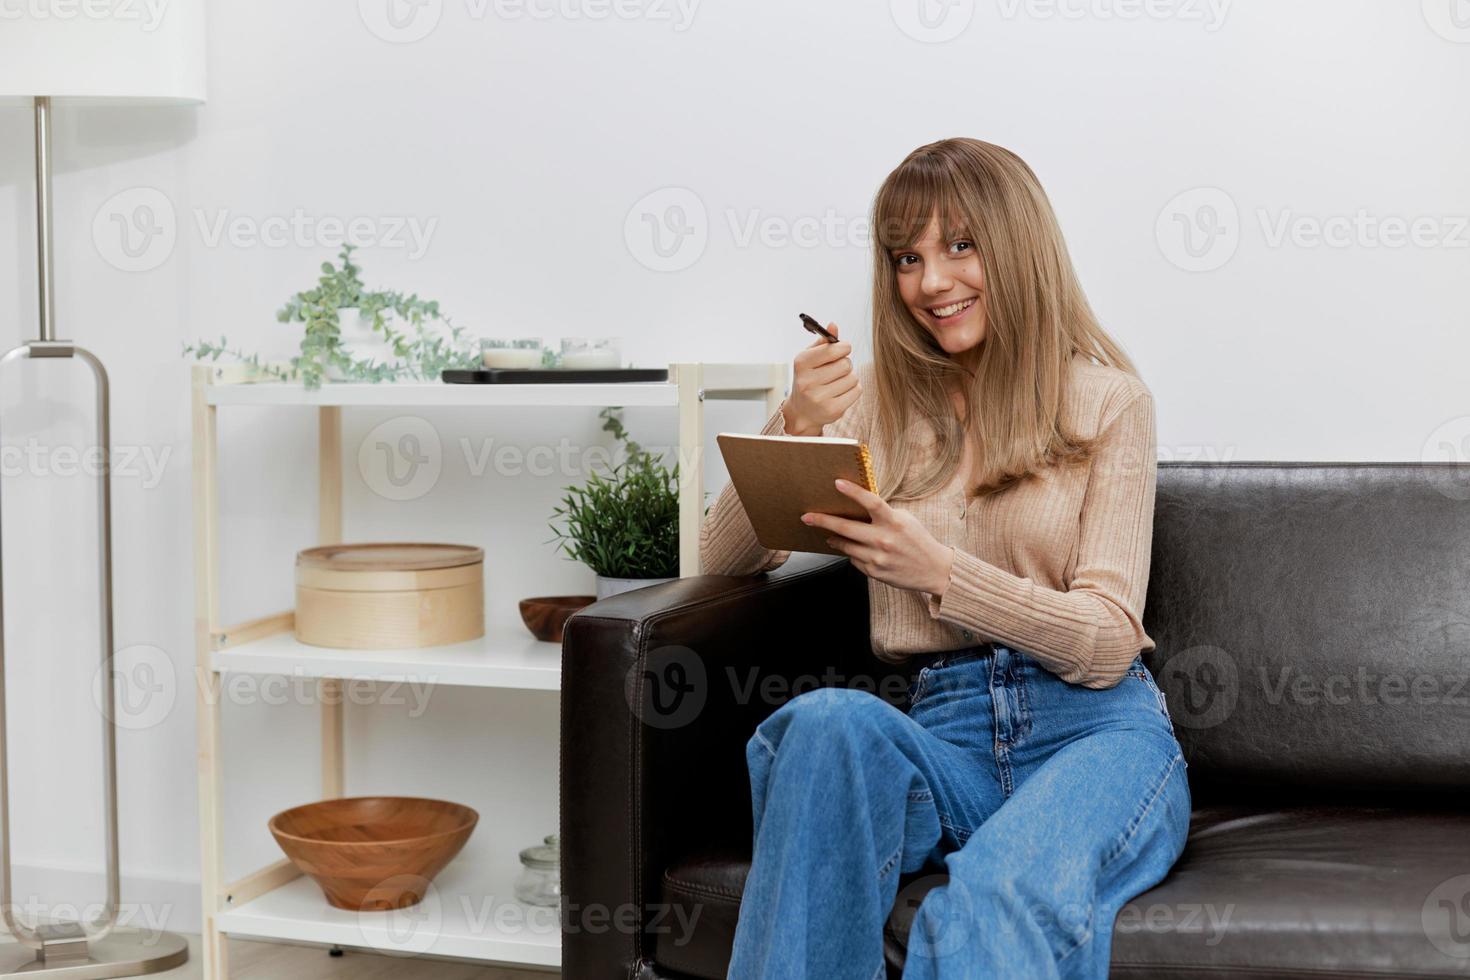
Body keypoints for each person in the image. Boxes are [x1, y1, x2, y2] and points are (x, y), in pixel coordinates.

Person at [697, 137, 1191, 979]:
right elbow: (720, 562)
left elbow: (1110, 642)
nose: (931, 282)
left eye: (961, 245)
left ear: (1017, 247)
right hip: (947, 734)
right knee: (821, 724)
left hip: (1095, 736)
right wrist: (800, 421)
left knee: (993, 902)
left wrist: (941, 574)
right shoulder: (885, 412)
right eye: (907, 257)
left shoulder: (1108, 402)